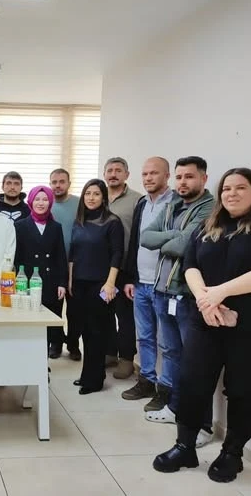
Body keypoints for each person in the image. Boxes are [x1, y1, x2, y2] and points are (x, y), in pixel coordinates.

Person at [153, 168, 251, 483]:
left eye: (240, 187)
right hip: (207, 318)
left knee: (243, 389)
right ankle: (184, 447)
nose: (231, 193)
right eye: (226, 188)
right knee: (191, 381)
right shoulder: (208, 225)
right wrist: (206, 300)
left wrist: (219, 293)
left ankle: (232, 453)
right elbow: (190, 265)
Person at [140, 156, 215, 447]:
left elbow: (185, 246)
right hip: (162, 291)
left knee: (197, 363)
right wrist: (174, 235)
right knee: (170, 352)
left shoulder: (209, 208)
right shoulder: (172, 205)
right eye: (180, 177)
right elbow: (146, 238)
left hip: (187, 295)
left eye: (190, 177)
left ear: (204, 178)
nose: (183, 182)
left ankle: (203, 425)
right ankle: (174, 408)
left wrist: (173, 239)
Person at [121, 157, 174, 404]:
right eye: (145, 174)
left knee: (168, 343)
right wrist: (130, 277)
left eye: (154, 173)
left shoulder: (176, 203)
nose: (148, 178)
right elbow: (135, 242)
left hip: (164, 285)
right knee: (144, 337)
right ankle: (146, 381)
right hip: (140, 283)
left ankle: (166, 390)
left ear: (167, 175)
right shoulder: (142, 203)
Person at [68, 179, 123, 395]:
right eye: (88, 193)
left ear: (103, 197)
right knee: (84, 330)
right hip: (79, 283)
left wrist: (110, 283)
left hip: (100, 284)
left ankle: (95, 379)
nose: (91, 198)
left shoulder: (112, 222)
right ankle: (87, 374)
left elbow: (117, 254)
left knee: (97, 332)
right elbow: (73, 253)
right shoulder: (79, 221)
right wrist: (70, 280)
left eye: (96, 194)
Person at [15, 186, 67, 357]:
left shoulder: (56, 227)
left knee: (48, 325)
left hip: (51, 282)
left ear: (50, 202)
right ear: (30, 201)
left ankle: (44, 364)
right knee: (30, 324)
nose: (41, 203)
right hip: (28, 282)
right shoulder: (20, 226)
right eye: (37, 199)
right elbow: (16, 258)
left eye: (45, 199)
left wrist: (62, 283)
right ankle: (29, 360)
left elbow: (60, 256)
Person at [104, 157, 142, 379]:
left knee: (125, 316)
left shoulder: (137, 200)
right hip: (102, 268)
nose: (113, 174)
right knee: (105, 313)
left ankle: (126, 358)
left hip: (125, 268)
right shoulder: (98, 197)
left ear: (127, 174)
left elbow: (138, 238)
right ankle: (109, 352)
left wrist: (132, 275)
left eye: (118, 170)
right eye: (110, 170)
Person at [49, 168, 81, 360]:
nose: (58, 185)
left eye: (62, 181)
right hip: (54, 266)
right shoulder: (46, 203)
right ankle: (56, 342)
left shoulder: (79, 204)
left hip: (77, 265)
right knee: (54, 307)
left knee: (75, 309)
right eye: (54, 182)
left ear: (69, 183)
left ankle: (73, 344)